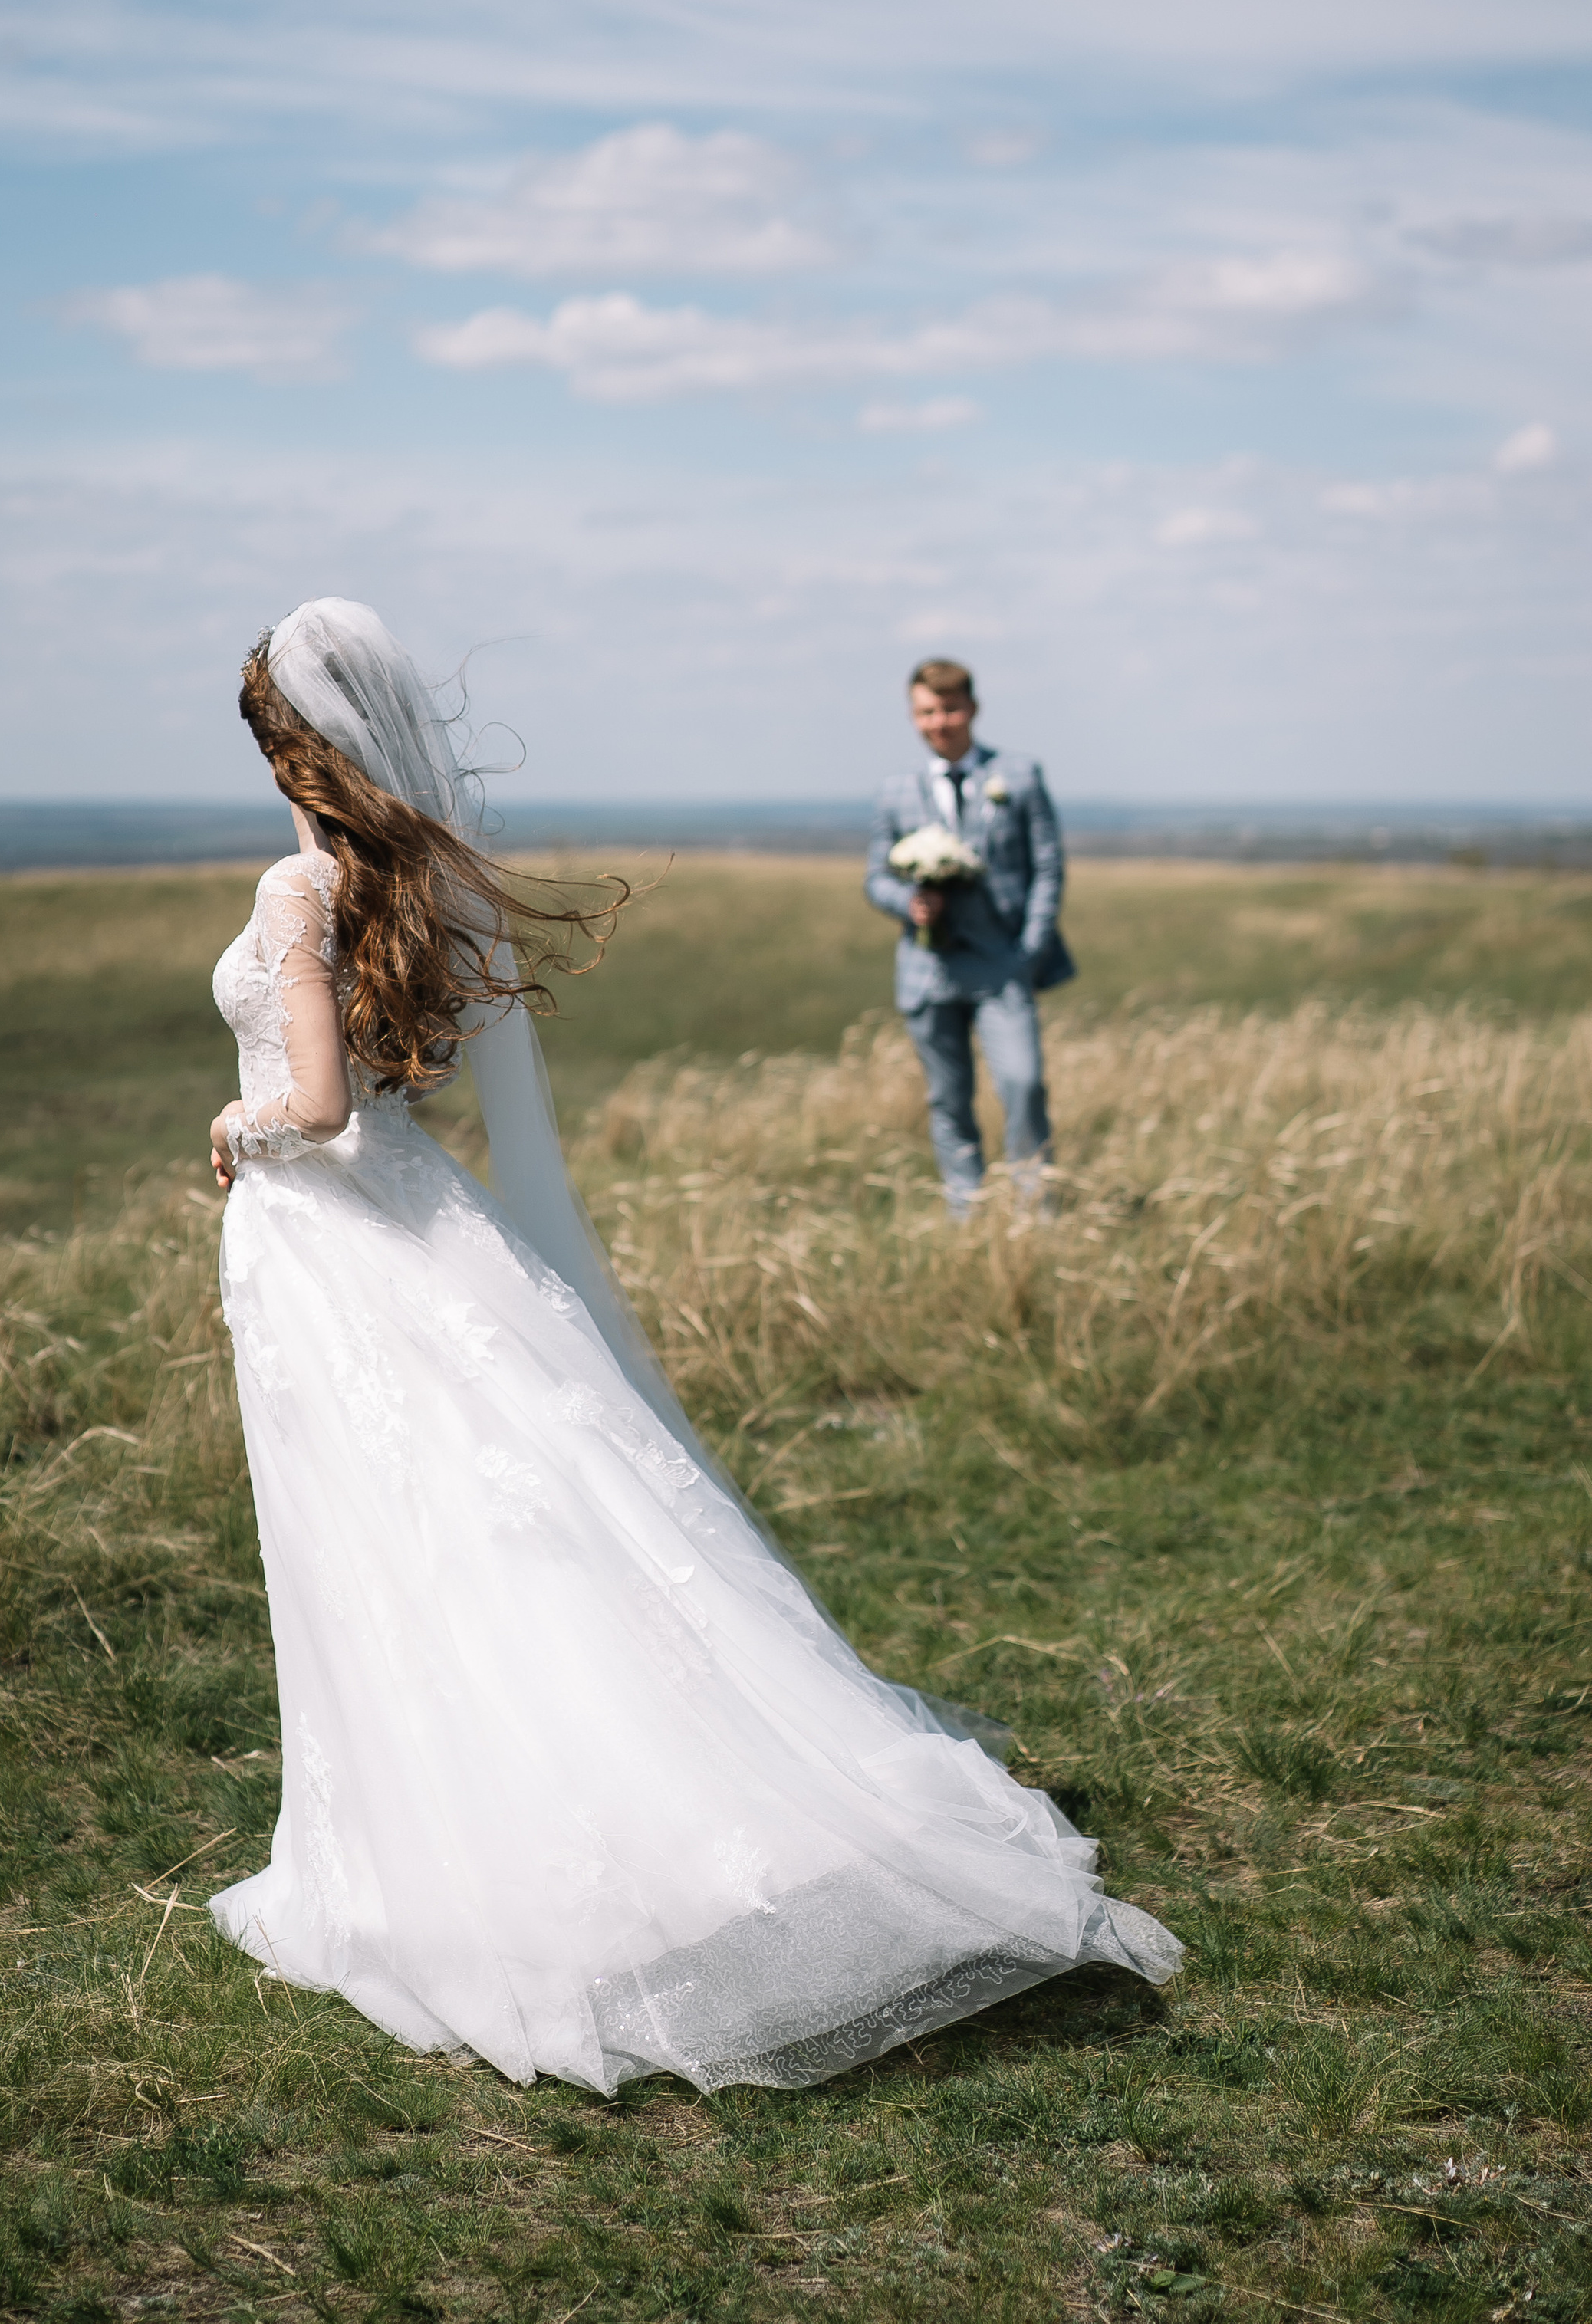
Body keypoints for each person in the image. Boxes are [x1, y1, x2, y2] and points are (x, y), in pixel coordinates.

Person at [204, 599, 1176, 2095]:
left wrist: (234, 1119)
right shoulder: (387, 876)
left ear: (290, 741)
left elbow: (321, 1103)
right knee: (482, 1528)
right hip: (401, 1220)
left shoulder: (292, 882)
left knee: (391, 1537)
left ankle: (460, 1863)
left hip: (332, 1235)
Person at [865, 658, 1074, 1212]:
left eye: (951, 708)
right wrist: (909, 904)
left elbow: (1048, 868)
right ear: (914, 716)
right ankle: (968, 1210)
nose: (941, 722)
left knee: (1024, 1084)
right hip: (927, 969)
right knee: (948, 1098)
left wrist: (1030, 949)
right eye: (928, 711)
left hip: (1003, 963)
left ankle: (1035, 1210)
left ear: (973, 709)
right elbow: (874, 877)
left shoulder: (1020, 775)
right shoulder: (896, 790)